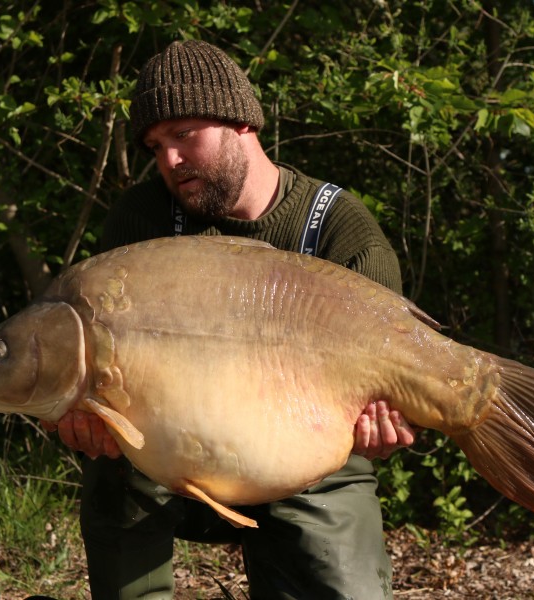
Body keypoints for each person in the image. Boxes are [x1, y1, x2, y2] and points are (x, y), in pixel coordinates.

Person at [45, 40, 416, 599]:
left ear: (241, 122)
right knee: (113, 465)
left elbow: (394, 378)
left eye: (183, 134)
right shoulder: (142, 219)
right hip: (171, 458)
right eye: (154, 145)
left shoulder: (338, 227)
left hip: (308, 468)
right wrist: (78, 421)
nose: (169, 161)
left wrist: (387, 424)